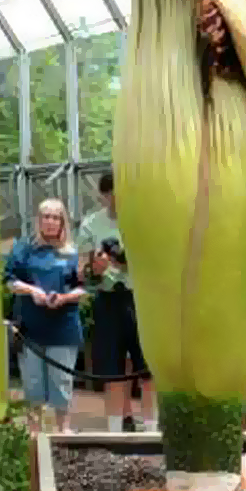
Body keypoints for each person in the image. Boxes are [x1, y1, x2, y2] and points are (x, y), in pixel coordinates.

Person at [77, 171, 157, 433]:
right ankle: (115, 429)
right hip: (108, 299)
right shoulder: (90, 224)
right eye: (112, 193)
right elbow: (82, 272)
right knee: (113, 370)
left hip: (141, 299)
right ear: (104, 195)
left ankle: (151, 427)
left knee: (148, 368)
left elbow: (156, 262)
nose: (117, 198)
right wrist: (95, 269)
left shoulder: (143, 222)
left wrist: (126, 261)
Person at [4, 198, 86, 434]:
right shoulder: (24, 247)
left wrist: (64, 298)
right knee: (32, 384)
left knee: (62, 382)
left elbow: (82, 287)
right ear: (38, 220)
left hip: (64, 328)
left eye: (55, 217)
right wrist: (33, 291)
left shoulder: (72, 252)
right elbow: (10, 281)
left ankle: (63, 430)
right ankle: (34, 432)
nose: (50, 221)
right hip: (31, 328)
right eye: (45, 216)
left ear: (63, 222)